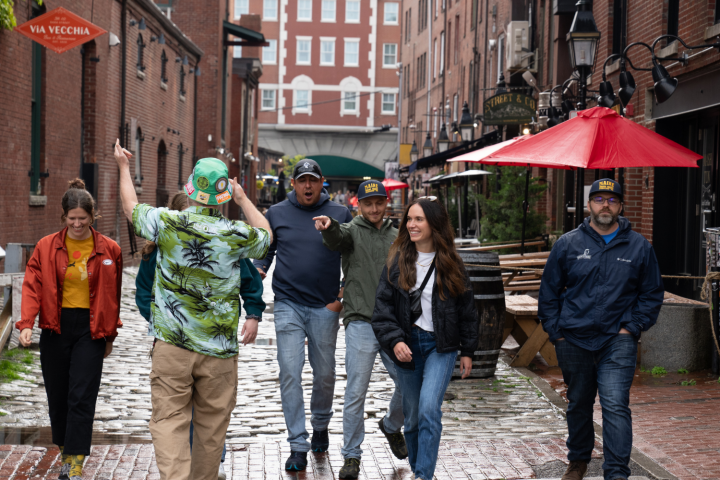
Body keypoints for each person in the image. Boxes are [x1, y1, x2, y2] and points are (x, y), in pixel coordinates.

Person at [114, 140, 272, 480]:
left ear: (191, 188)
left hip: (171, 345)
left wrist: (124, 167)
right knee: (211, 429)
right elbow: (266, 235)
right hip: (218, 353)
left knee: (169, 421)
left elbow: (130, 207)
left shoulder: (167, 223)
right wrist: (242, 198)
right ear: (224, 193)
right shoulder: (235, 234)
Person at [538, 178, 664, 480]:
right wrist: (556, 333)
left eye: (611, 200)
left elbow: (651, 294)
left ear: (620, 206)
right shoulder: (567, 244)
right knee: (579, 402)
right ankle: (578, 461)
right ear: (589, 205)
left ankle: (617, 472)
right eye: (598, 199)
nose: (604, 205)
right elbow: (549, 292)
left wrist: (631, 328)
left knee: (616, 403)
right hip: (573, 339)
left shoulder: (639, 247)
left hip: (616, 340)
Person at [17, 178, 123, 480]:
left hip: (90, 330)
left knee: (82, 394)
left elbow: (113, 293)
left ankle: (75, 459)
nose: (77, 224)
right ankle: (66, 446)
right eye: (72, 219)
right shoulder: (46, 247)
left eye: (83, 219)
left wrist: (110, 332)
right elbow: (32, 286)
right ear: (63, 217)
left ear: (93, 216)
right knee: (58, 394)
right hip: (55, 326)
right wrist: (26, 323)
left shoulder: (110, 249)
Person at [254, 159, 353, 470]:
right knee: (289, 371)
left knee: (324, 374)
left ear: (321, 182)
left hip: (325, 306)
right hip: (288, 304)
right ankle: (298, 444)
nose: (308, 186)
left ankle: (320, 424)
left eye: (313, 180)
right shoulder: (277, 213)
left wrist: (341, 293)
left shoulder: (339, 213)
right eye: (302, 181)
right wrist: (260, 268)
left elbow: (354, 253)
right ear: (293, 184)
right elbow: (268, 248)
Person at [371, 197, 478, 480]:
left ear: (434, 223)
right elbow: (382, 311)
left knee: (430, 409)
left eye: (419, 219)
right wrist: (395, 341)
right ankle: (419, 470)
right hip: (407, 347)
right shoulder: (397, 262)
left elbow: (467, 309)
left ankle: (424, 476)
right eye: (409, 219)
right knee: (413, 415)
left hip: (440, 347)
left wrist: (468, 350)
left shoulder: (452, 263)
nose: (412, 224)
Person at [313, 180, 406, 479]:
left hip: (394, 325)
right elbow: (335, 237)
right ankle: (351, 456)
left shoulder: (398, 235)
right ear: (359, 205)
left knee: (409, 384)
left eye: (379, 202)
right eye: (368, 203)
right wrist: (328, 226)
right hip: (361, 322)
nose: (375, 208)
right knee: (356, 391)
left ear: (386, 202)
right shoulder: (352, 230)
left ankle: (392, 425)